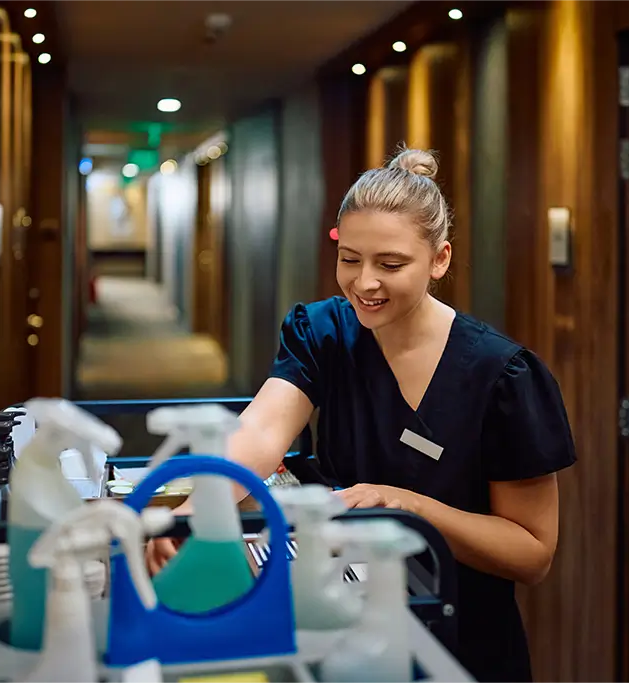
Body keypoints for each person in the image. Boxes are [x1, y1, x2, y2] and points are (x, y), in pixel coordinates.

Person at [146, 148, 577, 683]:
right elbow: (261, 431)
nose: (364, 283)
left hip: (457, 637)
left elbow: (531, 552)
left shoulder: (503, 376)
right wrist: (194, 510)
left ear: (440, 259)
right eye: (349, 259)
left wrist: (404, 504)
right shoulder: (323, 332)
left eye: (390, 265)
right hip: (341, 619)